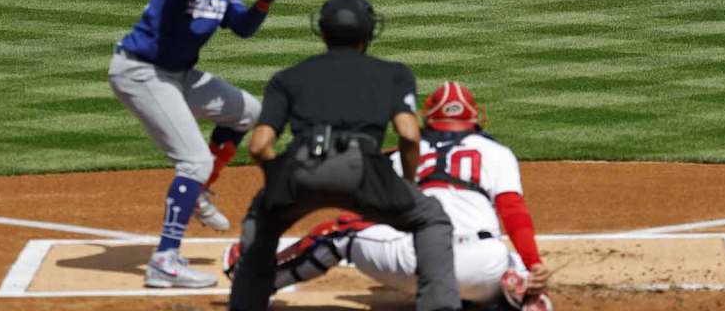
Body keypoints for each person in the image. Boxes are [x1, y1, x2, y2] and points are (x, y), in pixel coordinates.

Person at [226, 81, 553, 311]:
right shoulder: (497, 152)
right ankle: (515, 291)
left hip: (413, 262)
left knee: (342, 230)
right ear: (473, 118)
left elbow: (366, 210)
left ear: (429, 120)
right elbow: (513, 210)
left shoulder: (402, 155)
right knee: (505, 257)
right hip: (482, 266)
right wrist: (534, 263)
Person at [227, 0, 461, 311]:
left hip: (300, 166)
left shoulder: (288, 77)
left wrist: (280, 176)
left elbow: (259, 146)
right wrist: (407, 184)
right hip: (362, 168)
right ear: (368, 34)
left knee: (261, 222)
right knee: (430, 219)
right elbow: (408, 135)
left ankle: (244, 306)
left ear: (322, 32)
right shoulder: (393, 73)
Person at [108, 0, 282, 288]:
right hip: (141, 72)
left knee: (248, 112)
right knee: (192, 160)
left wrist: (265, 0)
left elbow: (241, 26)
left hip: (178, 76)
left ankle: (200, 191)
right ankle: (164, 260)